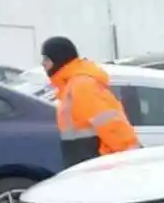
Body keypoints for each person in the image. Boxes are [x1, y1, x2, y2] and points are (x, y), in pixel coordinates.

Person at [40, 36, 138, 165]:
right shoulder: (70, 85)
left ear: (58, 59)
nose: (43, 63)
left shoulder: (82, 85)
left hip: (95, 163)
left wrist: (130, 155)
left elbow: (110, 124)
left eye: (46, 58)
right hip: (86, 161)